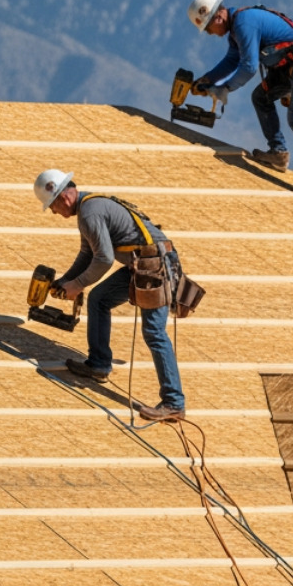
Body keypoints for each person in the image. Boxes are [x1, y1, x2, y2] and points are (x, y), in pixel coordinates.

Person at [34, 168, 186, 422]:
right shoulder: (88, 208)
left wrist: (78, 284)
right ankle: (98, 364)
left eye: (52, 206)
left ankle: (174, 403)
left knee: (154, 332)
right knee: (99, 299)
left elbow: (104, 259)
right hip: (141, 264)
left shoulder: (90, 213)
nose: (53, 212)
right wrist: (65, 281)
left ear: (64, 198)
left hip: (157, 266)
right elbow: (87, 254)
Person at [185, 0, 293, 197]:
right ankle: (278, 153)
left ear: (217, 17)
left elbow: (249, 67)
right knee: (261, 98)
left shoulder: (243, 23)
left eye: (208, 28)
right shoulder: (236, 29)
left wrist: (224, 88)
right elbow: (232, 60)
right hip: (291, 65)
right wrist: (208, 79)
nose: (210, 33)